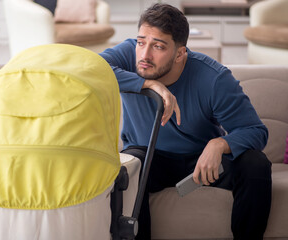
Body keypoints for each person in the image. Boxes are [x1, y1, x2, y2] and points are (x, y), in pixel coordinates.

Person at [100, 3, 272, 240]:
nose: (145, 55)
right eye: (141, 42)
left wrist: (219, 145)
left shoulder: (214, 79)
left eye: (158, 46)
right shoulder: (132, 54)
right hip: (148, 158)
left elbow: (256, 131)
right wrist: (149, 84)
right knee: (130, 166)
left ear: (180, 53)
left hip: (201, 163)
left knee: (256, 163)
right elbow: (93, 69)